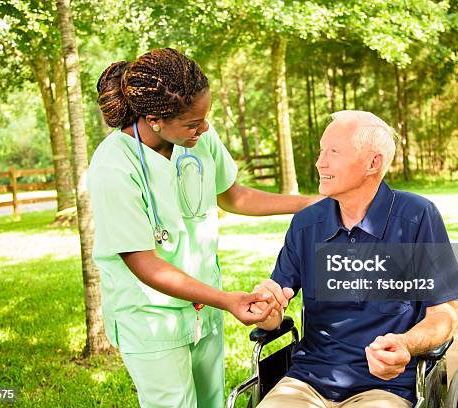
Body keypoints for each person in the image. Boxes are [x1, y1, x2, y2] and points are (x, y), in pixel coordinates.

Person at [88, 48, 318, 408]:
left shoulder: (196, 139)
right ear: (155, 119)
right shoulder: (113, 165)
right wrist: (229, 301)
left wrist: (305, 204)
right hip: (151, 318)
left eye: (204, 118)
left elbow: (234, 196)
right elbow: (144, 264)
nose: (205, 128)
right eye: (194, 123)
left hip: (204, 309)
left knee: (211, 402)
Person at [251, 110, 458, 408]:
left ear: (373, 162)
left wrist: (406, 344)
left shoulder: (417, 217)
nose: (320, 162)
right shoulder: (306, 224)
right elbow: (275, 310)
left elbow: (444, 315)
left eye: (334, 152)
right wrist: (267, 309)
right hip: (306, 382)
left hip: (385, 387)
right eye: (321, 151)